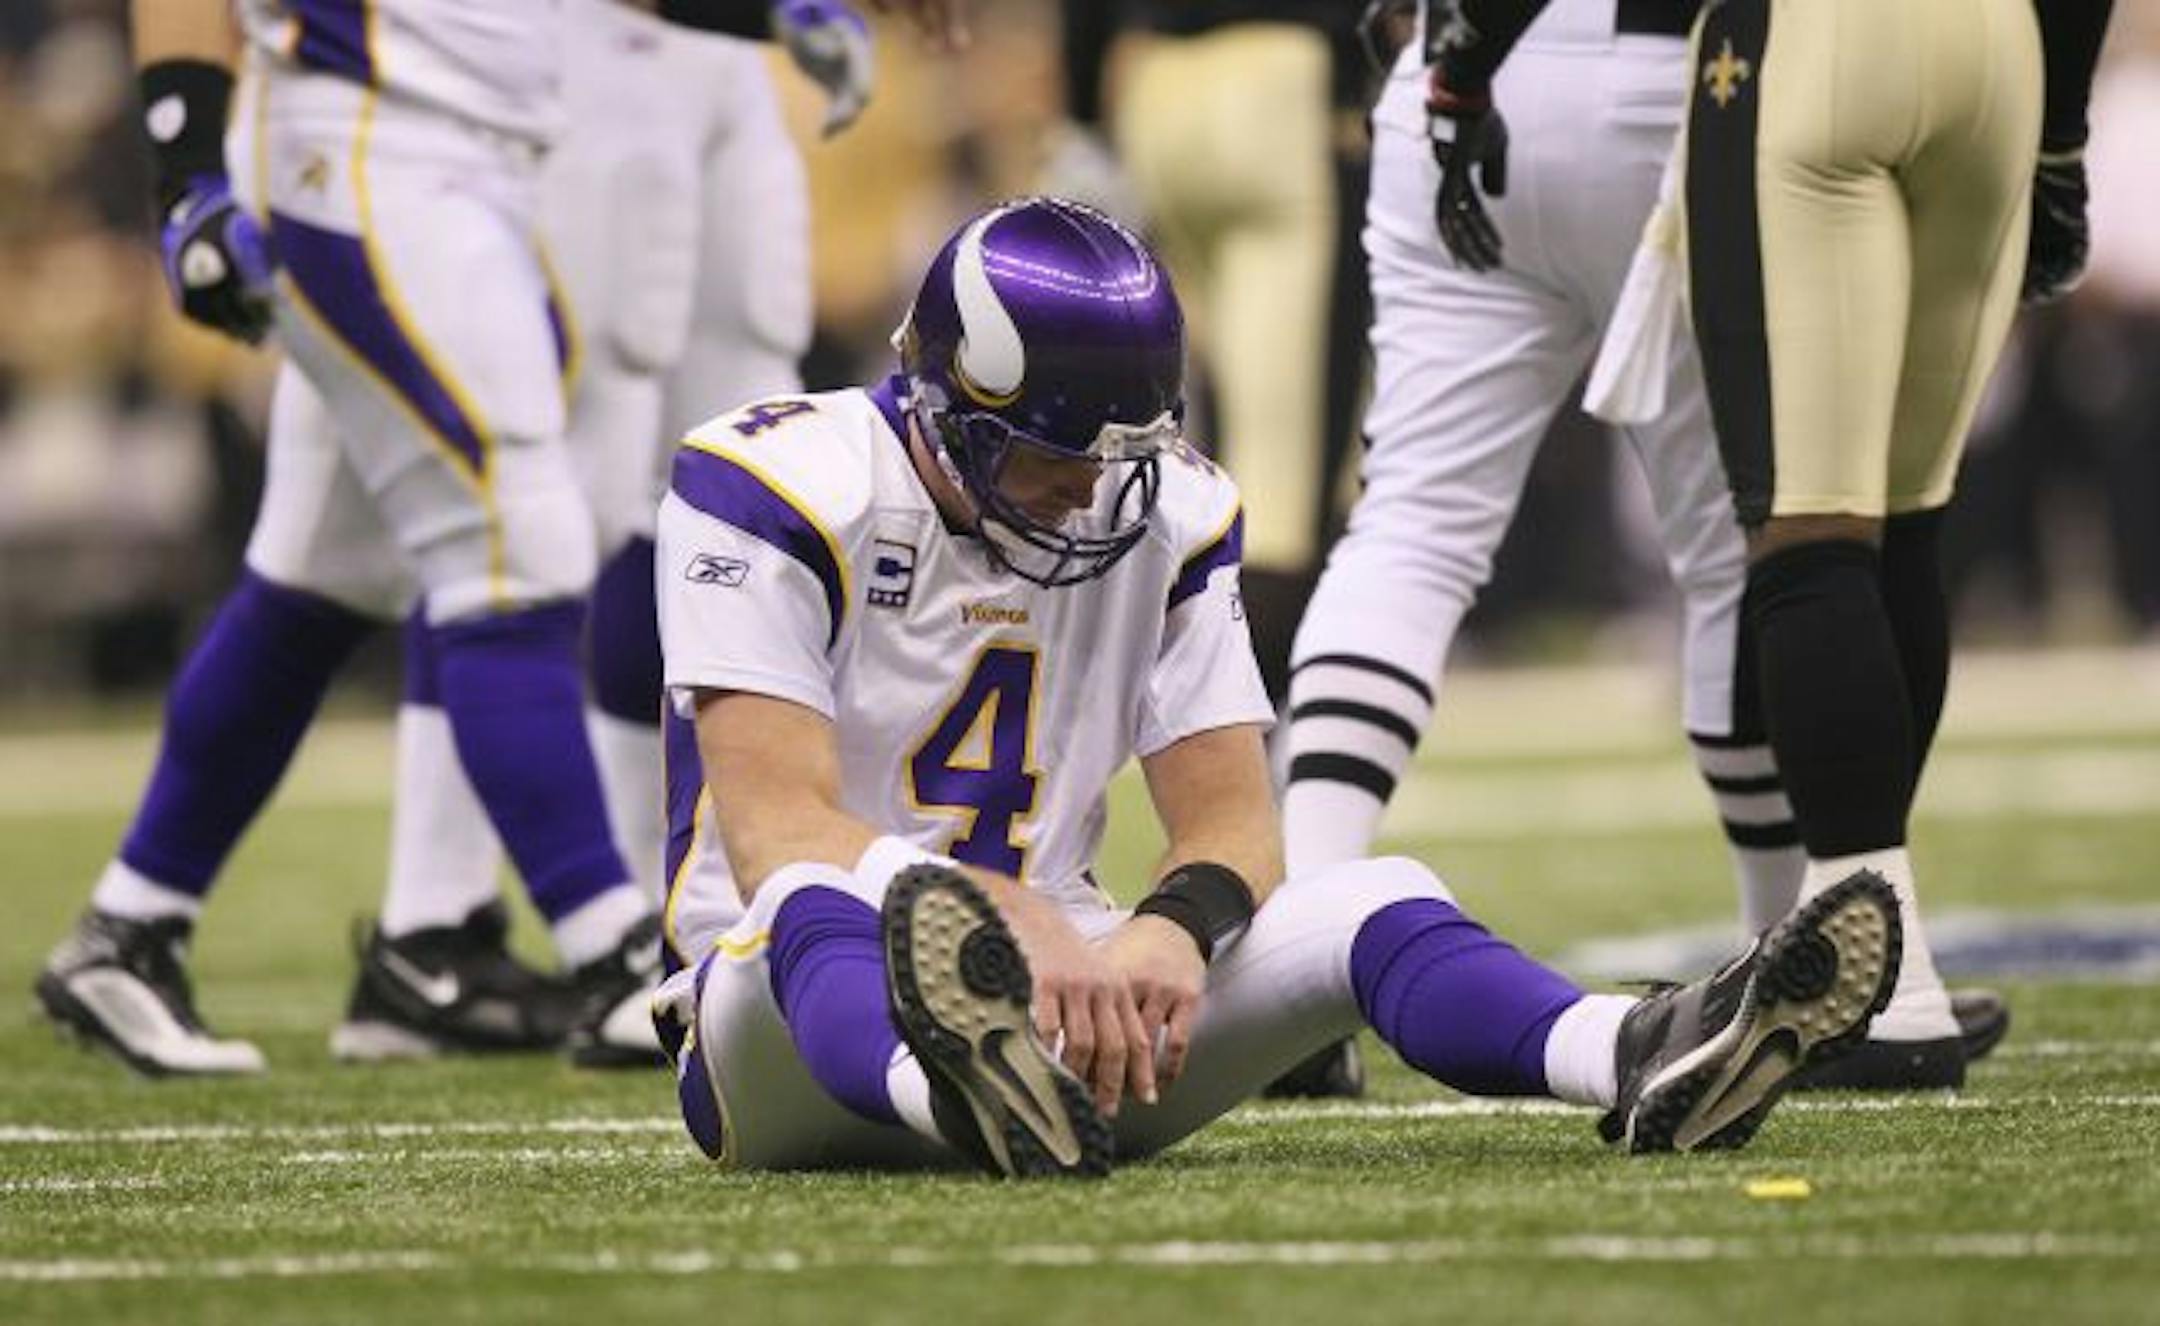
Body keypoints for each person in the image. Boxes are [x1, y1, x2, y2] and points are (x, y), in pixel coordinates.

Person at [649, 196, 1903, 1176]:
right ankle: (966, 1099)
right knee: (819, 893)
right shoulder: (777, 486)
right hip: (787, 1036)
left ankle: (1630, 1053)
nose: (1091, 496)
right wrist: (993, 913)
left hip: (1062, 1011)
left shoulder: (1167, 508)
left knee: (1373, 894)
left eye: (1115, 459)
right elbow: (776, 835)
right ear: (944, 405)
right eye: (1050, 460)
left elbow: (1235, 829)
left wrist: (1165, 930)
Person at [31, 0, 883, 1077]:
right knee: (514, 551)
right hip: (370, 146)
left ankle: (130, 927)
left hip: (465, 160)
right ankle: (612, 952)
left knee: (325, 575)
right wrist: (182, 166)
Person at [1280, 0, 2012, 1094]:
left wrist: (1439, 54)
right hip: (1682, 79)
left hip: (1456, 65)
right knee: (1749, 543)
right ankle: (1806, 960)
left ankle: (1297, 956)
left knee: (1411, 527)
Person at [328, 0, 851, 1067]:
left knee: (747, 445)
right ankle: (439, 920)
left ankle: (666, 912)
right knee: (553, 476)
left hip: (724, 66)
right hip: (566, 53)